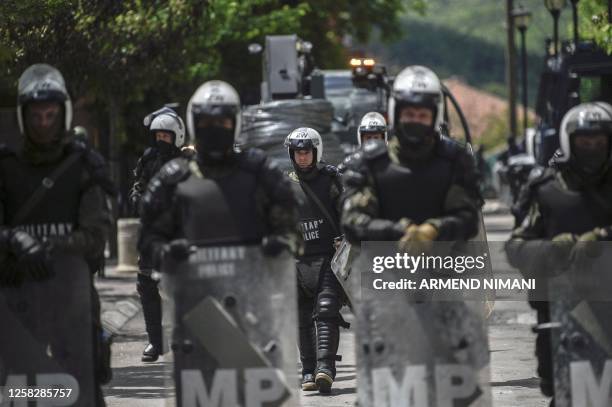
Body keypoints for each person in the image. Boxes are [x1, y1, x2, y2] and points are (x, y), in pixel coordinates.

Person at [0, 63, 114, 405]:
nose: (43, 123)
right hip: (17, 303)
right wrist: (13, 240)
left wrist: (49, 248)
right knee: (21, 393)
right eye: (36, 116)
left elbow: (96, 234)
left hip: (72, 302)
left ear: (63, 115)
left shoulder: (83, 166)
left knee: (81, 392)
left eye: (51, 115)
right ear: (23, 117)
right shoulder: (5, 168)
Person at [138, 78, 301, 289]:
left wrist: (278, 246)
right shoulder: (172, 180)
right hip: (192, 300)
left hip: (252, 299)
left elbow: (292, 232)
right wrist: (165, 252)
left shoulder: (261, 174)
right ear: (193, 124)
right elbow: (148, 238)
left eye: (222, 122)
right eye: (206, 123)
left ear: (235, 123)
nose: (214, 129)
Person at [505, 102, 612, 406]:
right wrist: (552, 249)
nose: (592, 148)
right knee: (564, 393)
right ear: (569, 142)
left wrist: (603, 237)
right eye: (584, 142)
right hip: (562, 315)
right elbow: (517, 247)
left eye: (600, 142)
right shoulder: (546, 190)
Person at [341, 65, 482, 245]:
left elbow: (469, 219)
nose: (416, 121)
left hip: (443, 268)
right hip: (382, 269)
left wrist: (434, 229)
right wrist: (399, 231)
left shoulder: (455, 161)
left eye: (423, 115)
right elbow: (352, 222)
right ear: (396, 113)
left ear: (435, 117)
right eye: (409, 114)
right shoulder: (369, 163)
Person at [284, 127, 347, 393]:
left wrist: (349, 237)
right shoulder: (283, 184)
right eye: (298, 152)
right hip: (296, 262)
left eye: (306, 152)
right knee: (300, 317)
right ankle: (308, 370)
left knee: (326, 312)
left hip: (328, 260)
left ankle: (325, 369)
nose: (302, 157)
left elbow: (347, 212)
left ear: (316, 152)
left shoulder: (331, 180)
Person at [130, 107, 188, 362]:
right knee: (147, 285)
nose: (161, 140)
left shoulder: (187, 161)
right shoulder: (148, 158)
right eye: (158, 136)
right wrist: (138, 199)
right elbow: (138, 186)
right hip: (152, 233)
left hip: (179, 233)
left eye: (166, 136)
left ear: (176, 135)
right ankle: (155, 341)